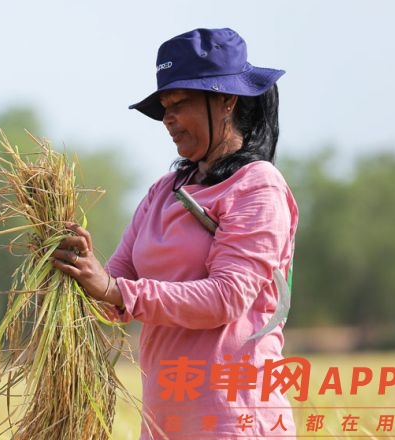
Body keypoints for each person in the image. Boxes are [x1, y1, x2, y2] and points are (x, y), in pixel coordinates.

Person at [51, 28, 299, 438]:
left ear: (226, 101)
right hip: (166, 424)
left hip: (235, 421)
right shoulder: (164, 193)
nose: (167, 118)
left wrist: (114, 290)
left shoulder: (257, 187)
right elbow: (112, 296)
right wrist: (74, 269)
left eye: (179, 103)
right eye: (164, 106)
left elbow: (226, 298)